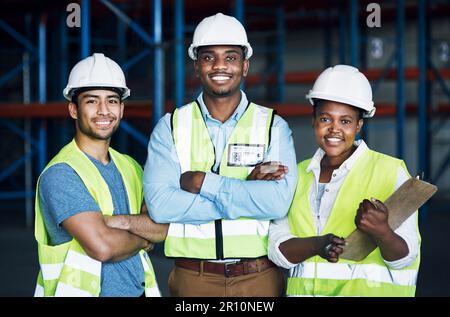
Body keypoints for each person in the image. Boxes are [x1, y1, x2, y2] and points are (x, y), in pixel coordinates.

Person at [143, 13, 298, 297]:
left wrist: (205, 183)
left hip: (258, 278)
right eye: (208, 57)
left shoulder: (273, 126)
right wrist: (247, 194)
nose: (219, 66)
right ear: (196, 67)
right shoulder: (171, 126)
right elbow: (161, 206)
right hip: (193, 278)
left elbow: (277, 203)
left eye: (230, 57)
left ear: (245, 65)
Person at [268, 64, 421, 297]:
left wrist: (382, 232)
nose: (334, 130)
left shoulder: (391, 172)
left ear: (359, 124)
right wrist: (317, 245)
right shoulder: (295, 176)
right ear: (314, 120)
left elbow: (405, 258)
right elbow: (278, 250)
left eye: (346, 121)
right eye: (326, 119)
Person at [34, 53, 168, 297]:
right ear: (73, 109)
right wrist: (143, 238)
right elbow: (102, 246)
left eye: (112, 101)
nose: (104, 111)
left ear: (122, 108)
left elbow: (162, 229)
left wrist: (118, 221)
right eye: (92, 101)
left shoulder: (131, 167)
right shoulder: (62, 173)